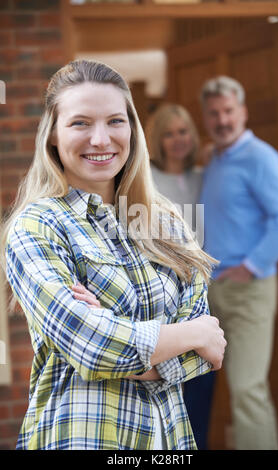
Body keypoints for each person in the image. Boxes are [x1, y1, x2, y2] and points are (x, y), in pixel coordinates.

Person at [1, 60, 226, 451]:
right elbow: (90, 344)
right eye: (80, 123)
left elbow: (208, 356)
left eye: (115, 121)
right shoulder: (38, 226)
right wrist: (190, 335)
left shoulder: (168, 223)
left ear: (133, 130)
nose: (101, 139)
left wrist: (111, 339)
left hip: (168, 441)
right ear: (52, 135)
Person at [199, 75, 278, 450]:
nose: (222, 120)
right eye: (214, 113)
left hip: (248, 291)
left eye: (228, 111)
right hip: (213, 291)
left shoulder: (261, 158)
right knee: (214, 388)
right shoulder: (215, 158)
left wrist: (251, 266)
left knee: (247, 390)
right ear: (206, 118)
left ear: (242, 112)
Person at [146, 103, 215, 449]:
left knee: (200, 384)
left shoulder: (205, 177)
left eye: (183, 131)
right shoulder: (145, 180)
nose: (177, 140)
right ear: (157, 139)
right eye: (169, 133)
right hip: (163, 297)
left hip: (203, 295)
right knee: (166, 383)